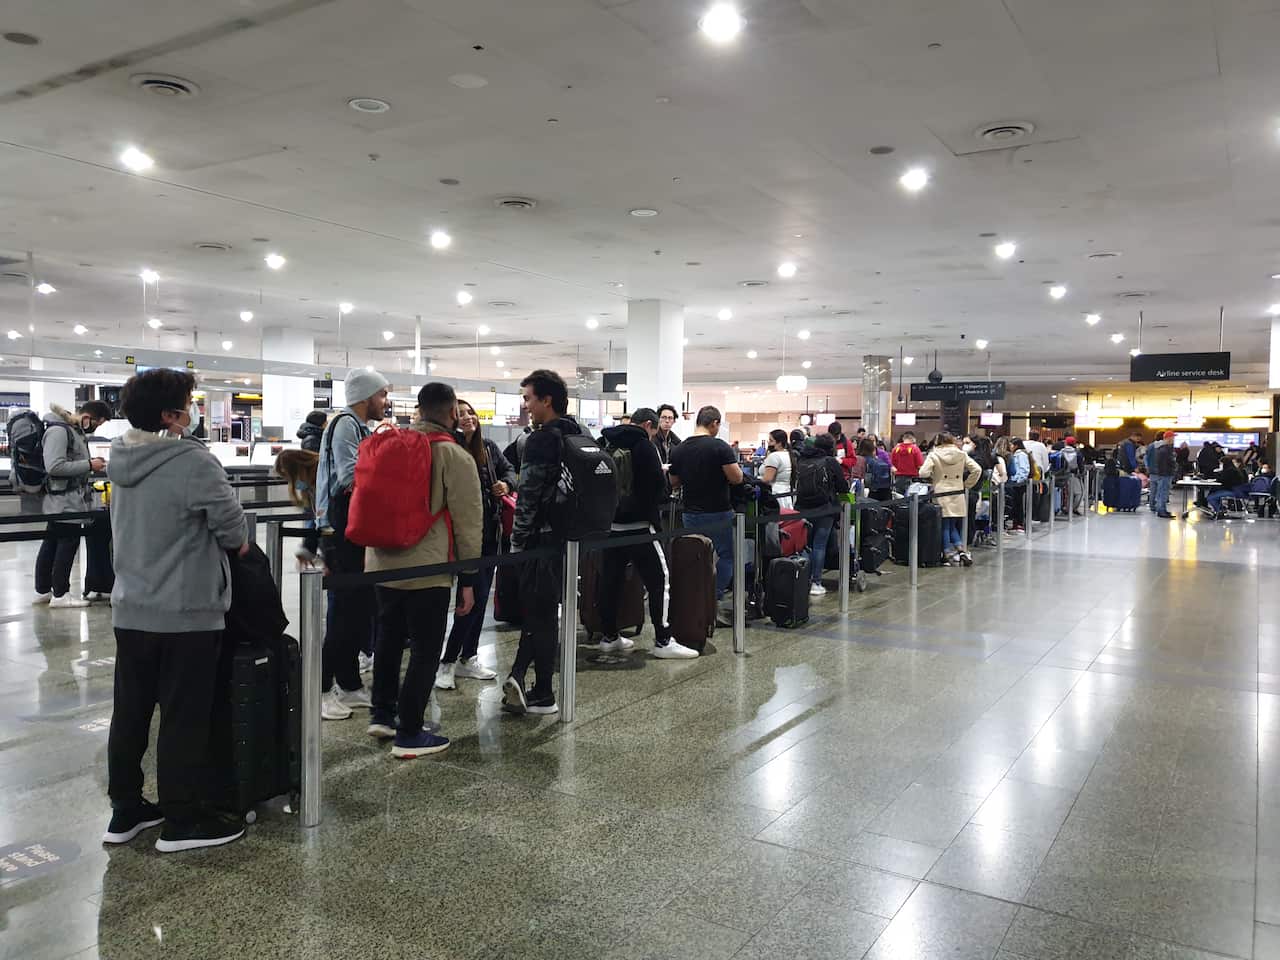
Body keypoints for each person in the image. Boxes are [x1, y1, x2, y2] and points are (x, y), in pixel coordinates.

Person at [104, 368, 249, 853]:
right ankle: (183, 820)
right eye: (189, 402)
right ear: (171, 414)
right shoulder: (191, 461)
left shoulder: (119, 458)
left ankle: (126, 810)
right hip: (186, 610)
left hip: (131, 607)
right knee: (184, 715)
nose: (194, 410)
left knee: (131, 711)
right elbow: (233, 531)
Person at [364, 383, 483, 758]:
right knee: (426, 648)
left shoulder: (389, 444)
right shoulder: (453, 455)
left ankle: (382, 714)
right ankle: (410, 732)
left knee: (388, 636)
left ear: (418, 409)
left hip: (381, 562)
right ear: (450, 413)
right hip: (427, 566)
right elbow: (468, 522)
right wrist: (468, 578)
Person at [503, 369, 581, 716]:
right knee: (545, 613)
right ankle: (531, 684)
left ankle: (540, 688)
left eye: (529, 398)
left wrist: (517, 545)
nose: (526, 406)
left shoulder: (540, 439)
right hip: (572, 539)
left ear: (546, 400)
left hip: (541, 539)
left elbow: (529, 497)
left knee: (540, 613)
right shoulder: (579, 432)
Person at [315, 367, 389, 722]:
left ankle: (348, 682)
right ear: (365, 396)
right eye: (381, 395)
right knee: (343, 612)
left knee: (358, 609)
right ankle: (322, 689)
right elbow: (348, 476)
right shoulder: (345, 424)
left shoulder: (360, 427)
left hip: (354, 530)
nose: (384, 402)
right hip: (339, 530)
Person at [598, 407, 699, 659]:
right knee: (659, 581)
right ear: (648, 425)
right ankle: (663, 640)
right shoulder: (645, 446)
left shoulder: (605, 442)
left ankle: (609, 636)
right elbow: (657, 486)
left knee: (610, 581)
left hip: (611, 527)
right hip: (641, 527)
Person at [435, 399, 515, 689]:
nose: (468, 418)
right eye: (461, 413)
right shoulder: (449, 448)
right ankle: (447, 660)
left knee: (479, 599)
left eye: (471, 413)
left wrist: (506, 485)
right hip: (458, 536)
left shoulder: (489, 447)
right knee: (466, 599)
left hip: (489, 533)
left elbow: (510, 472)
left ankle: (467, 657)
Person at [668, 405, 744, 626]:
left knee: (695, 557)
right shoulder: (719, 447)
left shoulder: (679, 449)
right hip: (718, 511)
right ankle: (714, 598)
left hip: (690, 512)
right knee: (727, 556)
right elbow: (737, 478)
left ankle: (694, 601)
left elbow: (673, 482)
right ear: (715, 423)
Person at [33, 401, 113, 607]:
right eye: (98, 423)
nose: (97, 427)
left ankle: (44, 590)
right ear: (87, 417)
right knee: (67, 542)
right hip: (64, 498)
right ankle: (60, 594)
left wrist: (89, 464)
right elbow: (55, 466)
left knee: (52, 541)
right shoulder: (60, 431)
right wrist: (88, 464)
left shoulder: (71, 431)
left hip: (67, 496)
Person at [793, 433, 849, 596]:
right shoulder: (830, 462)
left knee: (805, 545)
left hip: (802, 507)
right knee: (819, 545)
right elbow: (842, 487)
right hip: (825, 509)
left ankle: (802, 579)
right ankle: (816, 583)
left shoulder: (802, 459)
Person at [919, 433, 981, 566]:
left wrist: (933, 476)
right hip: (957, 491)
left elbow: (922, 473)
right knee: (952, 524)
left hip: (941, 491)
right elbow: (977, 469)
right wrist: (967, 485)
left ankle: (946, 554)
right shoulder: (961, 454)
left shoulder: (934, 454)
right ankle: (962, 551)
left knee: (944, 525)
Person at [273, 448, 321, 565]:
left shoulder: (322, 478)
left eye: (289, 477)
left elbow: (326, 518)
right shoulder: (311, 486)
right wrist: (307, 550)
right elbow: (317, 519)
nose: (291, 482)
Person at [760, 429, 795, 507]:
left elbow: (767, 479)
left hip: (775, 495)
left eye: (771, 440)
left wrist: (755, 481)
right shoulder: (788, 454)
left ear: (779, 443)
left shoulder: (774, 456)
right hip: (786, 494)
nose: (768, 443)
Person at [1149, 430, 1176, 519]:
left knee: (1159, 491)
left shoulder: (1162, 448)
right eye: (1172, 437)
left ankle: (1159, 508)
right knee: (1162, 492)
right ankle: (1161, 510)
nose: (1173, 439)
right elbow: (1164, 462)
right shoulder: (1165, 449)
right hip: (1165, 474)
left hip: (1161, 473)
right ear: (1168, 438)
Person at [1007, 438, 1031, 531]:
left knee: (1018, 503)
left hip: (1018, 484)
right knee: (1016, 503)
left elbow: (1024, 469)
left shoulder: (1021, 455)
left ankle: (1019, 523)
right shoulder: (1016, 455)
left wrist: (1017, 480)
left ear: (1016, 445)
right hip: (1015, 483)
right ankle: (1016, 522)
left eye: (1011, 445)